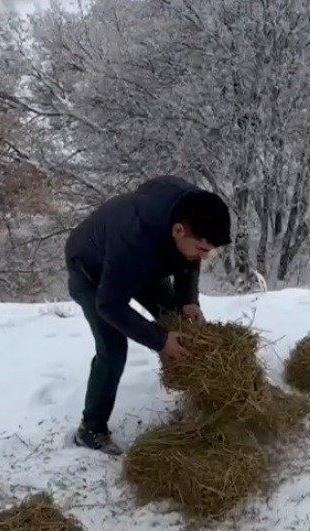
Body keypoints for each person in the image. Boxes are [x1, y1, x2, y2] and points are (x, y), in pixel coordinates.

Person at [63, 175, 232, 454]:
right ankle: (90, 429)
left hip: (144, 260)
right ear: (178, 231)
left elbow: (190, 257)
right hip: (91, 271)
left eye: (209, 252)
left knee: (177, 316)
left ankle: (196, 394)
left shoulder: (191, 206)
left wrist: (188, 300)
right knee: (113, 348)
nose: (204, 257)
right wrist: (161, 340)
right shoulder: (133, 237)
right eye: (202, 250)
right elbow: (110, 305)